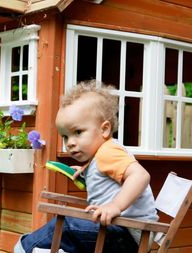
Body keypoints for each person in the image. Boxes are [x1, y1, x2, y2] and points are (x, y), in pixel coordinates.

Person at [14, 80, 158, 253]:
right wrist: (86, 172)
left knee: (66, 225)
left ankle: (24, 248)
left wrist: (115, 206)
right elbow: (108, 180)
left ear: (104, 129)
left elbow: (140, 176)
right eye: (65, 137)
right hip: (119, 232)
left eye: (78, 132)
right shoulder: (103, 155)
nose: (70, 143)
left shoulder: (108, 152)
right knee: (68, 230)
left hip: (128, 234)